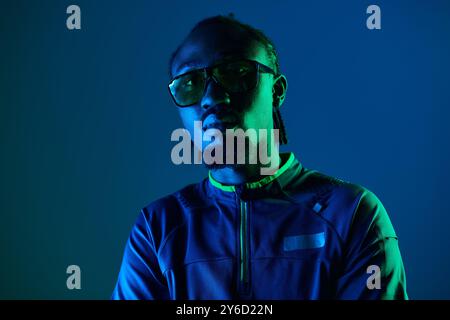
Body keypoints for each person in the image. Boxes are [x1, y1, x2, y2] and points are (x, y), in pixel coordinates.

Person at [112, 14, 408, 300]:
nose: (213, 98)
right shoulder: (156, 227)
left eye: (236, 73)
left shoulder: (353, 215)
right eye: (190, 83)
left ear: (276, 91)